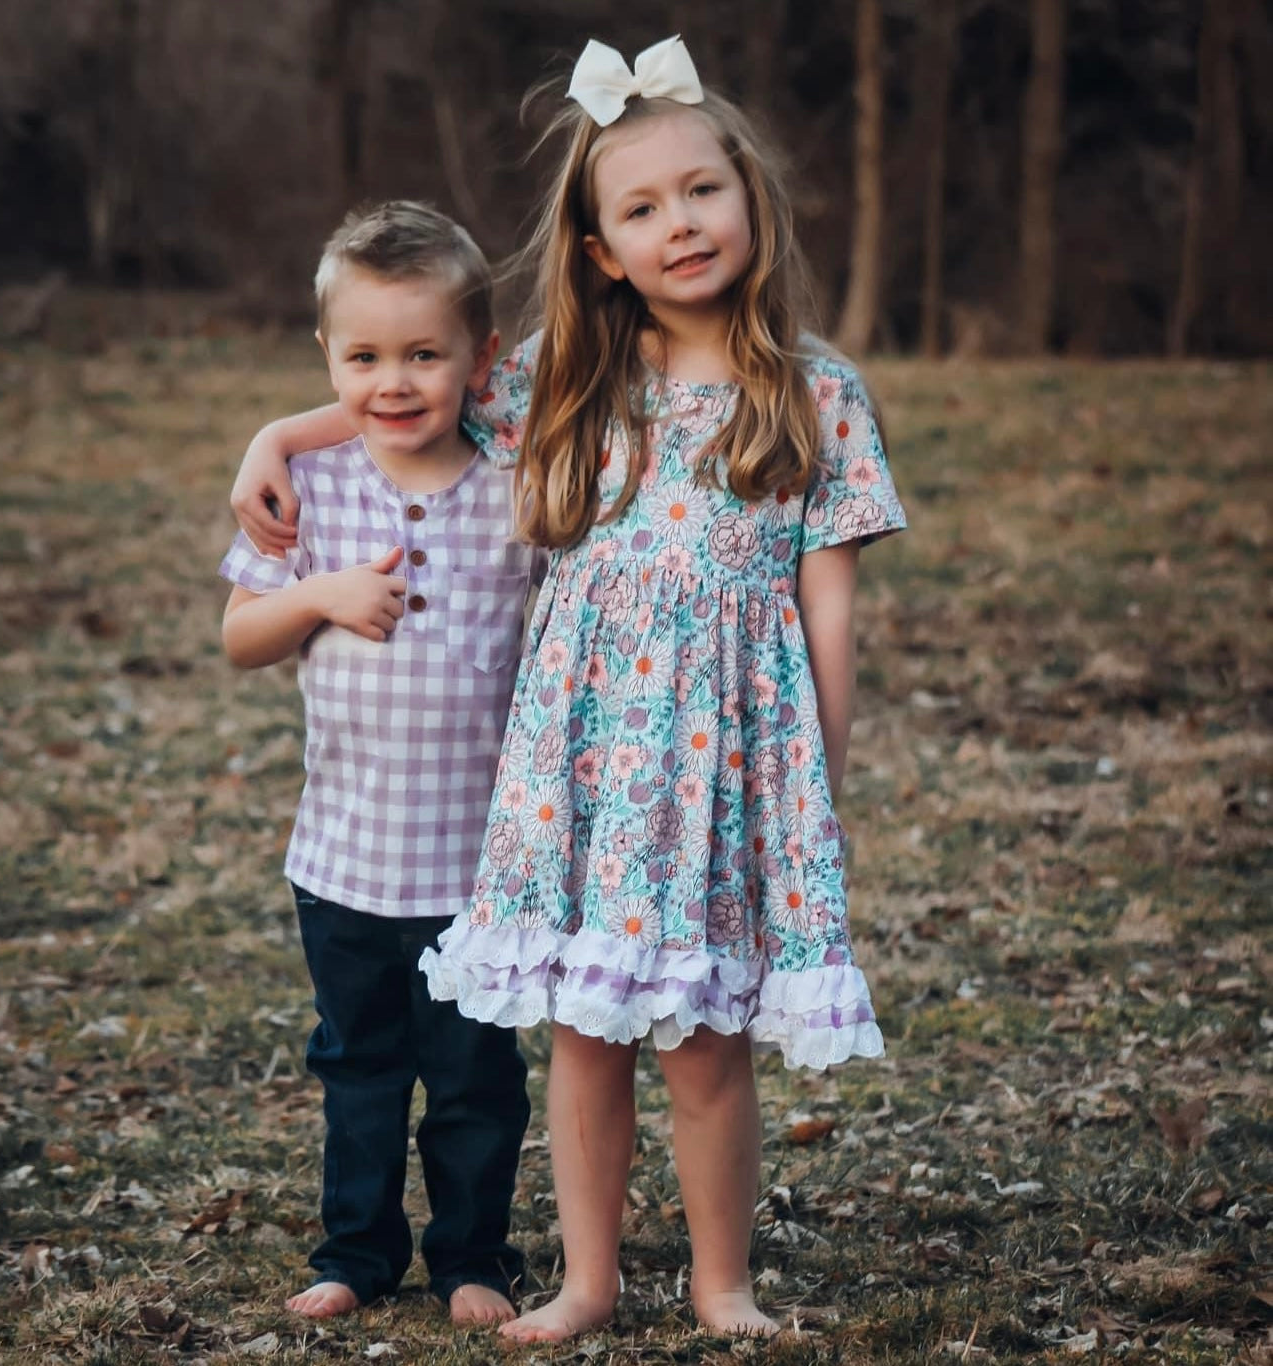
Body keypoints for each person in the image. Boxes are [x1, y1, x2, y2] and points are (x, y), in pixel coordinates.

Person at [230, 37, 906, 1343]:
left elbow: (829, 596)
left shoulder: (815, 391)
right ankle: (585, 1282)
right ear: (598, 248)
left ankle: (722, 1282)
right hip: (580, 770)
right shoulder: (566, 376)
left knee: (705, 1045)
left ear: (749, 199)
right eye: (640, 207)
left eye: (700, 191)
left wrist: (818, 772)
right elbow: (404, 392)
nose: (679, 223)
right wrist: (276, 434)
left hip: (723, 766)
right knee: (585, 1040)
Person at [219, 200, 539, 1326]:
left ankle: (472, 1260)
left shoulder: (515, 489)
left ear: (479, 360)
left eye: (422, 355)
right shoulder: (312, 493)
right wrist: (318, 593)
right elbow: (239, 638)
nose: (392, 382)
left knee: (473, 1083)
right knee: (357, 1069)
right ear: (327, 358)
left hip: (476, 867)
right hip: (343, 857)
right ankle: (355, 1249)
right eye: (363, 357)